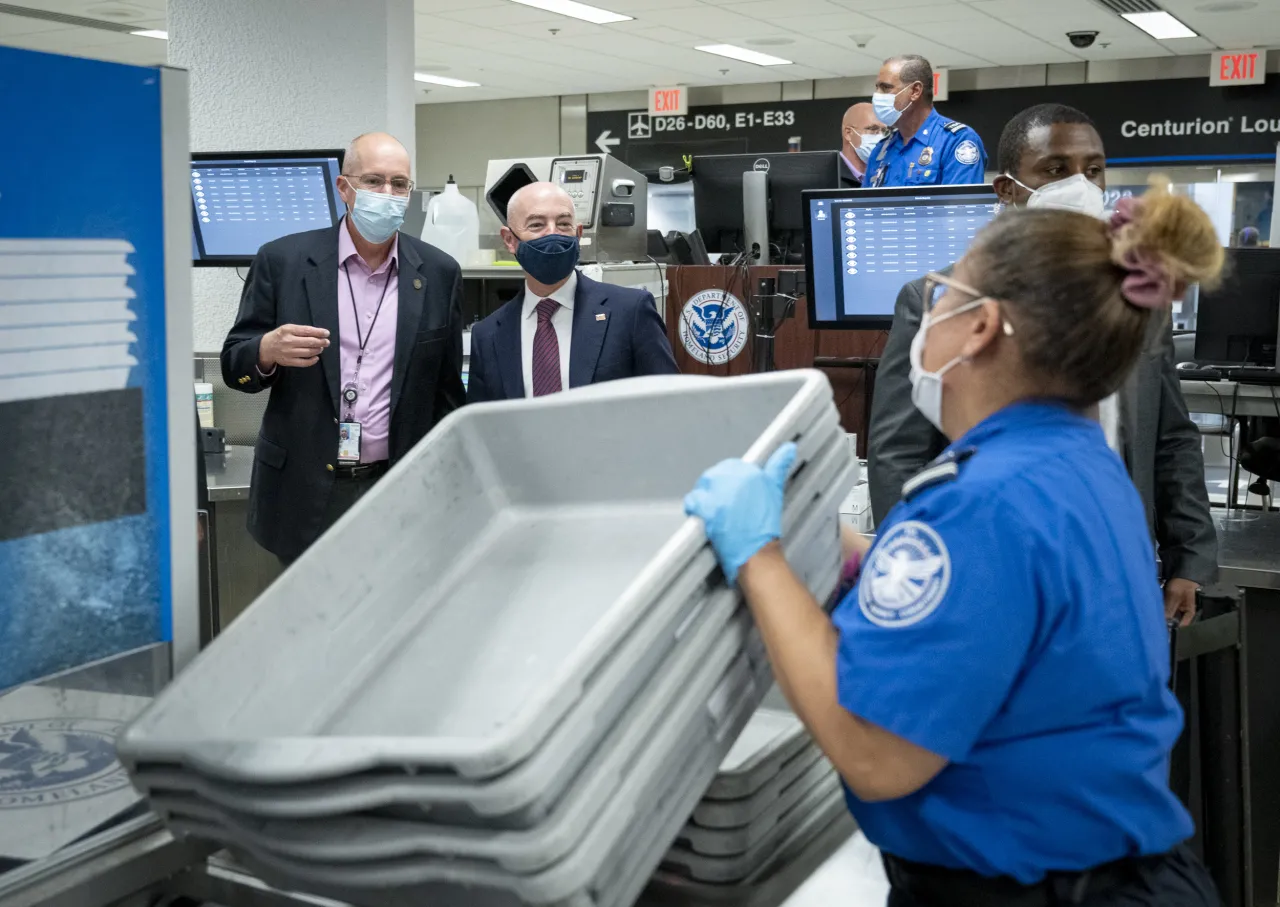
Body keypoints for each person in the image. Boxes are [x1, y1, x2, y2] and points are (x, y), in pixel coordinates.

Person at [685, 183, 1224, 906]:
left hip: (1027, 887)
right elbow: (994, 618)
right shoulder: (1077, 463)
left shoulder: (979, 503)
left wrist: (757, 556)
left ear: (980, 327)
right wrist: (833, 544)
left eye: (942, 292)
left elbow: (875, 753)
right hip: (1121, 871)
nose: (926, 314)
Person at [868, 104, 1216, 627]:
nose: (1081, 185)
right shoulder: (945, 300)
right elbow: (899, 451)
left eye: (1093, 170)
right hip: (985, 568)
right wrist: (909, 573)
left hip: (1119, 565)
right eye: (1055, 170)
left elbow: (1170, 435)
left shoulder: (1135, 300)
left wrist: (1190, 556)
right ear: (1007, 190)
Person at [222, 132, 465, 565]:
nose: (387, 194)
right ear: (344, 187)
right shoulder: (284, 261)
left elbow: (447, 395)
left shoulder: (439, 273)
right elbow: (233, 363)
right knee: (307, 624)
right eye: (373, 181)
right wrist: (266, 350)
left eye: (398, 183)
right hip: (303, 489)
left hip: (397, 488)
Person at [466, 181, 678, 402]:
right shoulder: (487, 335)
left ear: (578, 234)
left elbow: (670, 404)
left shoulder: (630, 312)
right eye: (537, 225)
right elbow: (481, 428)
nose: (553, 234)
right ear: (510, 240)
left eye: (563, 223)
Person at [866, 54, 986, 188]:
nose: (877, 95)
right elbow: (864, 206)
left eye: (886, 88)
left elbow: (960, 205)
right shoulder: (882, 150)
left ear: (915, 91)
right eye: (877, 88)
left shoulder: (955, 141)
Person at [839, 102, 887, 188]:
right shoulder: (827, 176)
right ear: (848, 133)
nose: (881, 137)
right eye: (873, 129)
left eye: (884, 131)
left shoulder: (886, 176)